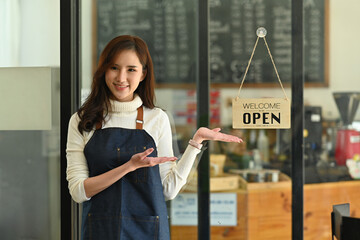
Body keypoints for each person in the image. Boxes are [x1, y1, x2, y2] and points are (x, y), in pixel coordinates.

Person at [66, 35, 243, 240]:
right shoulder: (82, 121)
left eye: (131, 69)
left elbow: (168, 190)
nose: (121, 78)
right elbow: (78, 191)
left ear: (143, 74)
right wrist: (128, 166)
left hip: (148, 232)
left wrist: (196, 143)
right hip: (100, 231)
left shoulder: (157, 119)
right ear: (104, 70)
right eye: (114, 67)